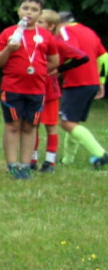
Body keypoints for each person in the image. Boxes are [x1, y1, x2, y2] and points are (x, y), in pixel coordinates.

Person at [0, 0, 59, 179]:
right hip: (12, 87)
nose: (29, 12)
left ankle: (25, 165)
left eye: (34, 10)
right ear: (18, 10)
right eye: (25, 8)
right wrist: (9, 49)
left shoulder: (46, 36)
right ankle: (12, 165)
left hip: (37, 89)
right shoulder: (8, 33)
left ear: (40, 14)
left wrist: (39, 71)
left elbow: (54, 60)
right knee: (12, 125)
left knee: (30, 126)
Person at [30, 10, 88, 172]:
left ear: (51, 26)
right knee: (32, 124)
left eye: (41, 22)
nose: (36, 24)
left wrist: (60, 68)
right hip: (33, 87)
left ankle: (50, 162)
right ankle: (32, 159)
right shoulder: (32, 38)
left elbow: (82, 57)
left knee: (50, 126)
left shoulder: (56, 41)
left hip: (49, 90)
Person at [54, 11, 108, 168]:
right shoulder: (88, 31)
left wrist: (58, 68)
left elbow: (71, 50)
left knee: (66, 122)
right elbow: (104, 57)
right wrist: (101, 81)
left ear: (59, 23)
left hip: (77, 81)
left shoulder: (64, 31)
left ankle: (101, 154)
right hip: (91, 82)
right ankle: (67, 160)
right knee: (73, 120)